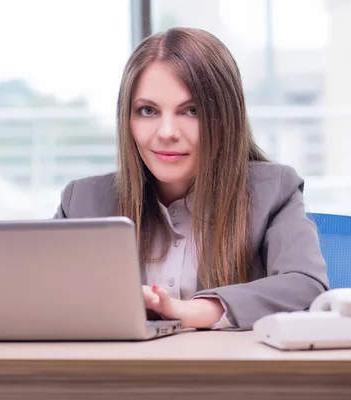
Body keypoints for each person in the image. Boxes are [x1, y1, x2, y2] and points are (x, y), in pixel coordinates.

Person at [54, 27, 329, 330]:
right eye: (147, 110)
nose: (167, 132)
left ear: (225, 119)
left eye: (191, 111)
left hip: (228, 373)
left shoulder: (274, 190)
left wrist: (189, 311)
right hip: (116, 374)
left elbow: (306, 287)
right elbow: (37, 293)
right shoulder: (82, 200)